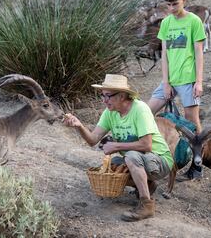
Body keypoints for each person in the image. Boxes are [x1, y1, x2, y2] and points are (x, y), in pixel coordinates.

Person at [63, 74, 174, 222]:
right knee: (115, 163)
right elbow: (92, 140)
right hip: (142, 159)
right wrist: (79, 125)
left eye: (108, 96)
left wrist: (116, 145)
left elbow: (147, 145)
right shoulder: (110, 113)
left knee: (131, 156)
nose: (104, 100)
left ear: (122, 96)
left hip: (160, 160)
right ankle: (147, 183)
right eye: (103, 95)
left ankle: (146, 205)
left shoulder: (140, 109)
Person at [147, 0, 206, 181]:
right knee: (147, 113)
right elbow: (164, 54)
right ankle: (154, 156)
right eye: (169, 4)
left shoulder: (194, 21)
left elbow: (199, 53)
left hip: (188, 79)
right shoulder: (166, 23)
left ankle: (197, 164)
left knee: (192, 124)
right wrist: (166, 83)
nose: (172, 7)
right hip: (170, 79)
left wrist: (199, 82)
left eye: (176, 3)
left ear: (184, 0)